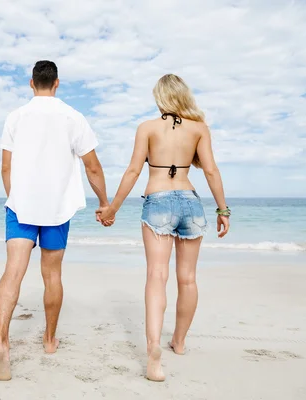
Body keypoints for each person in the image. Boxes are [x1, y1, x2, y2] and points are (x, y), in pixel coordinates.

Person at [96, 74, 230, 382]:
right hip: (191, 202)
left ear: (160, 97)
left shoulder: (147, 128)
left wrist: (112, 208)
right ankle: (179, 343)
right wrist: (223, 209)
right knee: (188, 279)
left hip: (158, 201)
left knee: (157, 276)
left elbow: (133, 170)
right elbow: (210, 170)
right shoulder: (199, 129)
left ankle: (154, 349)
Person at [0, 60, 110, 381]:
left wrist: (16, 199)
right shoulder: (73, 117)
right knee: (52, 275)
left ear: (32, 84)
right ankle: (48, 341)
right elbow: (93, 167)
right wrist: (104, 202)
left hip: (20, 208)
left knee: (12, 273)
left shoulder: (15, 117)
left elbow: (6, 167)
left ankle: (2, 340)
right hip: (57, 209)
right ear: (57, 83)